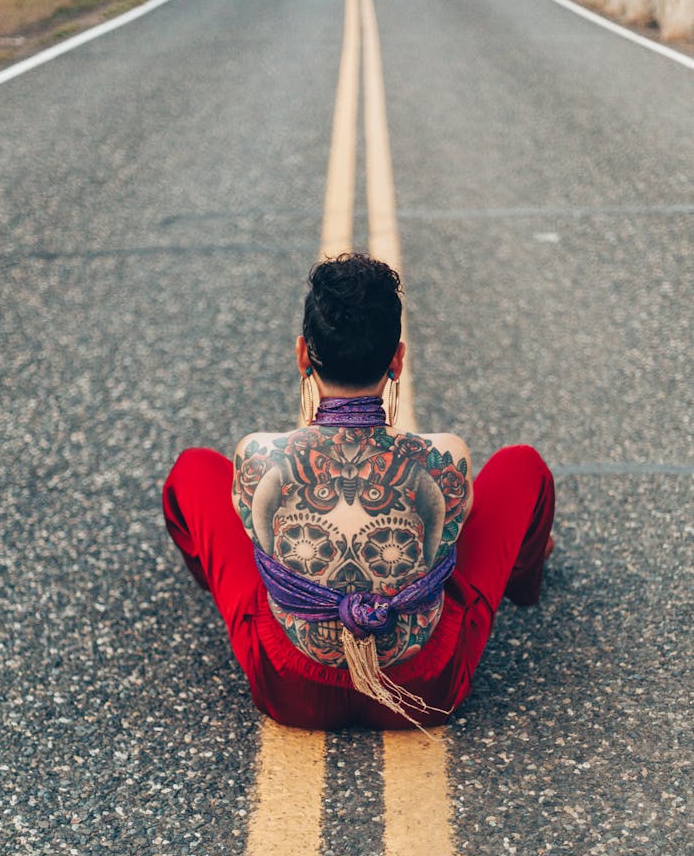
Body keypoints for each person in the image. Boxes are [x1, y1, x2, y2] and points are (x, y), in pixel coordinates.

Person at [162, 253, 554, 731]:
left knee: (194, 467)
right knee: (521, 465)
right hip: (421, 691)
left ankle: (212, 581)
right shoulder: (446, 455)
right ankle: (523, 583)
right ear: (398, 360)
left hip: (293, 690)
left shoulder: (258, 455)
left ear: (303, 355)